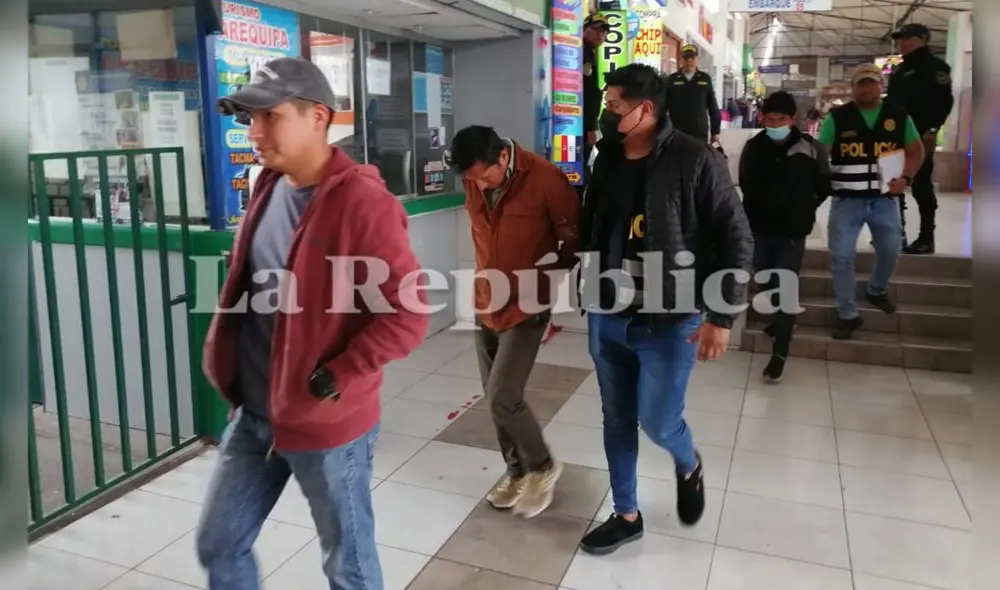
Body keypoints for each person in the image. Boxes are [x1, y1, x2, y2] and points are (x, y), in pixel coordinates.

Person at [197, 57, 429, 590]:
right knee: (219, 543)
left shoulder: (364, 202)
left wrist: (339, 373)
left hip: (325, 423)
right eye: (247, 118)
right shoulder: (267, 184)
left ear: (319, 117)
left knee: (347, 563)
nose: (254, 132)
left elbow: (408, 312)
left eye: (269, 116)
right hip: (255, 412)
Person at [577, 64, 753, 555]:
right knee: (617, 419)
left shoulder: (696, 159)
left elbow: (736, 237)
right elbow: (597, 226)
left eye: (613, 106)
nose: (607, 114)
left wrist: (721, 315)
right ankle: (626, 514)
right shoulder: (607, 158)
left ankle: (687, 462)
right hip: (608, 313)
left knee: (658, 421)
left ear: (644, 109)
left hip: (669, 320)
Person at [447, 125, 581, 519]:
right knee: (492, 396)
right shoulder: (476, 177)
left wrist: (544, 280)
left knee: (505, 394)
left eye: (481, 175)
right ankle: (516, 471)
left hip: (526, 303)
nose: (476, 184)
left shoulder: (545, 179)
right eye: (470, 178)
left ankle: (542, 465)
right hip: (486, 299)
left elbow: (573, 237)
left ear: (502, 158)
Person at [817, 63, 925, 340]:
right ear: (853, 88)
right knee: (841, 257)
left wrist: (907, 179)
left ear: (881, 86)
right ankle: (846, 313)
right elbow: (821, 152)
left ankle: (876, 289)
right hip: (846, 200)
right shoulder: (838, 117)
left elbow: (915, 151)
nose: (865, 88)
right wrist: (820, 177)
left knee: (891, 250)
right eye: (860, 84)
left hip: (884, 200)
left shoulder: (898, 116)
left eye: (871, 83)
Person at [739, 91, 830, 382]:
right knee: (764, 279)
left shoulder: (810, 148)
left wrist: (803, 208)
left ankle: (780, 352)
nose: (774, 123)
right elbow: (745, 183)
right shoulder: (754, 147)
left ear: (792, 120)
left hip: (792, 231)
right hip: (759, 228)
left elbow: (823, 185)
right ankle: (781, 320)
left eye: (781, 119)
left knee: (785, 284)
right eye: (770, 119)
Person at [887, 23, 956, 255]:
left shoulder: (935, 66)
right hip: (894, 135)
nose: (902, 42)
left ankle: (927, 237)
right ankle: (897, 233)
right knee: (891, 183)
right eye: (900, 38)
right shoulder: (899, 70)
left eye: (908, 37)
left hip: (919, 135)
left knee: (921, 185)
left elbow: (944, 101)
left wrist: (932, 129)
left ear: (923, 39)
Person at [663, 44, 722, 143]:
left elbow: (713, 107)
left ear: (697, 59)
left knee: (699, 157)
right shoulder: (671, 80)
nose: (689, 61)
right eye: (686, 58)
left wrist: (715, 131)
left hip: (699, 131)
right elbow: (663, 106)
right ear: (681, 60)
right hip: (676, 131)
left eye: (692, 58)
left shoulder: (705, 79)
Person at [582, 13, 610, 182]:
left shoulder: (591, 53)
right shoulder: (583, 52)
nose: (601, 34)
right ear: (585, 29)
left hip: (582, 122)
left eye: (604, 31)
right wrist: (591, 127)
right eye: (596, 30)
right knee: (580, 167)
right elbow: (587, 94)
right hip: (579, 123)